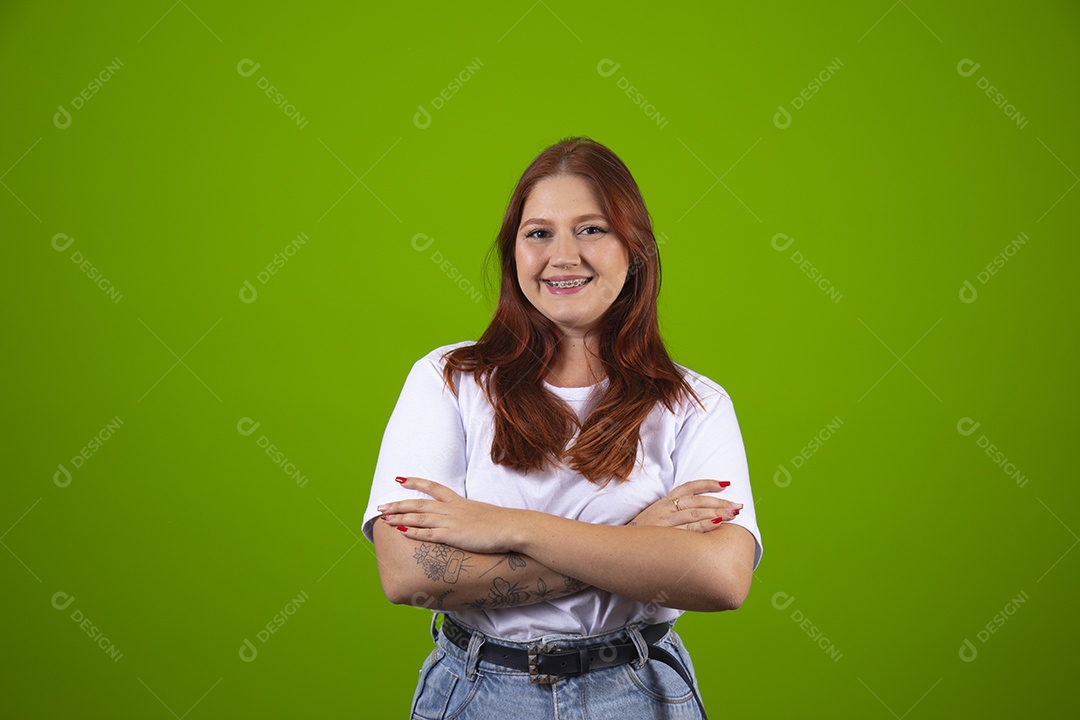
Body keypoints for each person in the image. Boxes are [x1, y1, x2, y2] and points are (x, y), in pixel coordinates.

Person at [362, 136, 762, 719]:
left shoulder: (695, 403)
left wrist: (508, 527)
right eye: (539, 233)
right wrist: (637, 538)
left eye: (592, 229)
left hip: (640, 691)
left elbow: (721, 580)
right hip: (478, 692)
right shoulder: (446, 381)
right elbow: (408, 574)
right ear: (513, 253)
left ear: (636, 250)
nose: (563, 256)